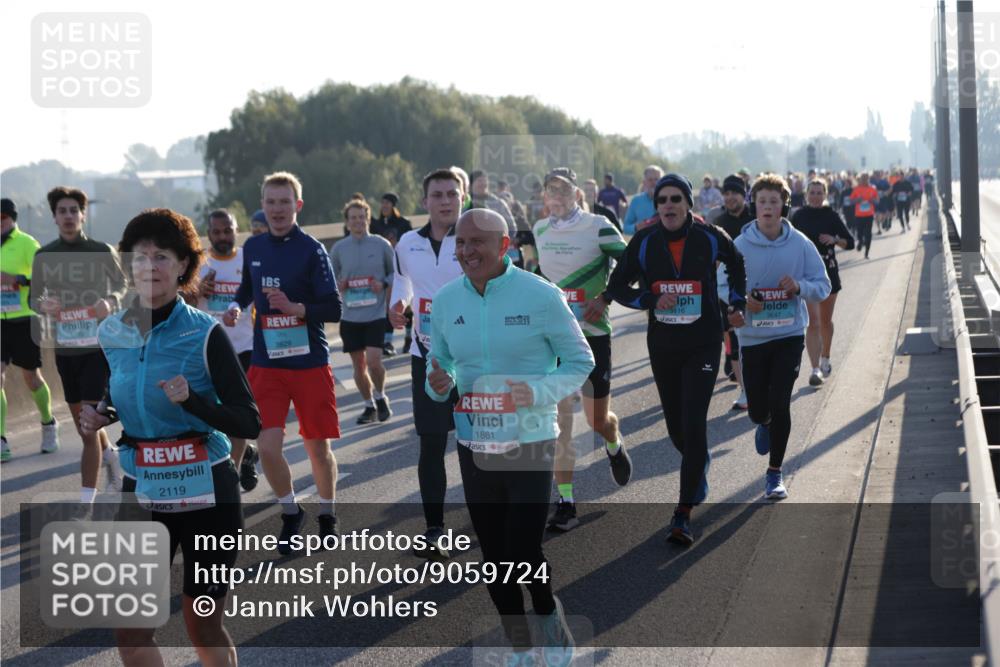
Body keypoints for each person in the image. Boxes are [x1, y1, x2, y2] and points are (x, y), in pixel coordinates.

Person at [80, 207, 261, 667]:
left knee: (201, 624)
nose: (150, 268)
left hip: (208, 492)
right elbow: (124, 384)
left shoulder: (206, 334)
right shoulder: (112, 331)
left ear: (183, 266)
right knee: (131, 626)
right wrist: (104, 414)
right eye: (140, 258)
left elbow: (248, 421)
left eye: (162, 257)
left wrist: (193, 404)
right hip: (142, 490)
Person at [427, 208, 592, 663]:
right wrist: (437, 381)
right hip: (475, 444)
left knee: (523, 547)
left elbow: (581, 361)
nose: (465, 251)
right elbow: (439, 362)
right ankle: (520, 646)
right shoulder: (445, 301)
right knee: (496, 556)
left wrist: (537, 392)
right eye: (459, 243)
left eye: (476, 242)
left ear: (504, 246)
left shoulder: (540, 295)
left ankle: (547, 619)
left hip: (531, 439)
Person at [608, 173, 747, 545]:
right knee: (677, 431)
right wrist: (651, 300)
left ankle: (682, 513)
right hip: (664, 344)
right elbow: (617, 287)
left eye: (675, 199)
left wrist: (737, 303)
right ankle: (697, 460)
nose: (668, 206)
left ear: (688, 204)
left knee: (694, 421)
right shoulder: (644, 242)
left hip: (703, 341)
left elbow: (737, 264)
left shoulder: (709, 236)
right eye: (661, 200)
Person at [223, 171, 343, 551]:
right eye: (271, 202)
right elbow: (246, 288)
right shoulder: (253, 249)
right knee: (269, 446)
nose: (277, 209)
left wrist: (297, 308)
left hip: (309, 363)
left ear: (298, 206)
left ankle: (327, 512)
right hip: (267, 364)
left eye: (284, 202)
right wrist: (234, 307)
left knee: (317, 449)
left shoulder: (311, 250)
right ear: (262, 205)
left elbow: (335, 307)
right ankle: (291, 513)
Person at [532, 167, 632, 532]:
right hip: (553, 339)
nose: (557, 197)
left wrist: (605, 296)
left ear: (576, 193)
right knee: (560, 423)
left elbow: (631, 263)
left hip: (593, 335)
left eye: (564, 191)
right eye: (551, 191)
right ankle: (567, 501)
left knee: (597, 420)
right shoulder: (540, 231)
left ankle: (613, 442)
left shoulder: (599, 226)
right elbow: (541, 279)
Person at [729, 174, 831, 500]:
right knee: (759, 409)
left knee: (781, 401)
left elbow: (823, 285)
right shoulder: (740, 247)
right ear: (754, 207)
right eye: (762, 202)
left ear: (784, 206)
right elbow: (722, 286)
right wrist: (743, 301)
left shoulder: (800, 244)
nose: (768, 208)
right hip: (753, 338)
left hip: (788, 335)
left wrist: (800, 287)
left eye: (774, 201)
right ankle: (763, 421)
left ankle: (774, 473)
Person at [30, 186, 127, 499]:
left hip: (96, 351)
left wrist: (110, 300)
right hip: (65, 350)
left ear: (83, 214)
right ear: (55, 217)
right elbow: (35, 297)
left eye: (74, 210)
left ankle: (87, 502)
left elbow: (122, 284)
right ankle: (109, 454)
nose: (69, 216)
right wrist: (44, 304)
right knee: (85, 425)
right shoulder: (44, 256)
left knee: (87, 430)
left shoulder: (101, 250)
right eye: (63, 211)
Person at [389, 168, 465, 559]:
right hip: (427, 357)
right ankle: (435, 529)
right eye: (438, 194)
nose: (446, 200)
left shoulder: (474, 237)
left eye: (453, 193)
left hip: (473, 360)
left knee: (477, 443)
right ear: (425, 201)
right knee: (432, 444)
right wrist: (397, 304)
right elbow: (403, 282)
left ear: (463, 197)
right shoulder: (406, 243)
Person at [196, 208, 260, 491]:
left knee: (238, 413)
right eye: (217, 231)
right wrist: (198, 292)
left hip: (245, 346)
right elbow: (180, 297)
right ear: (208, 233)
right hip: (210, 349)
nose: (223, 236)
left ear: (237, 229)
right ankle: (246, 454)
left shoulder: (249, 258)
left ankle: (229, 480)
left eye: (228, 230)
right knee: (216, 417)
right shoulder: (199, 262)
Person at [0, 197, 60, 461]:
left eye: (2, 218)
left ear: (12, 219)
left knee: (30, 377)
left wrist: (17, 279)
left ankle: (48, 424)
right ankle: (1, 439)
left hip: (25, 319)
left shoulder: (26, 243)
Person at [329, 198, 394, 424]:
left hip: (375, 313)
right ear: (347, 222)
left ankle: (381, 396)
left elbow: (395, 273)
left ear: (368, 218)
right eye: (353, 218)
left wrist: (383, 283)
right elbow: (330, 278)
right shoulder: (339, 249)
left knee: (374, 362)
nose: (358, 221)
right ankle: (369, 406)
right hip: (350, 316)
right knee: (359, 365)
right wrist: (340, 284)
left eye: (361, 217)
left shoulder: (381, 244)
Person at [790, 179, 854, 386]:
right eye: (812, 192)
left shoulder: (831, 216)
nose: (816, 196)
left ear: (825, 194)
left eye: (819, 192)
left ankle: (826, 355)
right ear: (806, 194)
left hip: (829, 273)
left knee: (825, 322)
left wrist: (834, 240)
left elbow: (850, 243)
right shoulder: (798, 216)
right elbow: (787, 241)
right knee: (814, 322)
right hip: (806, 274)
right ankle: (815, 368)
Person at [713, 174, 754, 410]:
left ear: (744, 194)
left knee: (756, 340)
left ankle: (761, 385)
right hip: (726, 290)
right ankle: (745, 391)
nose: (729, 198)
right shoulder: (718, 223)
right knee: (735, 339)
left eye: (734, 193)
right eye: (726, 194)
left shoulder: (754, 218)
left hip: (757, 287)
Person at [370, 192, 413, 357]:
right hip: (385, 269)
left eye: (387, 203)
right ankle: (387, 341)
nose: (384, 206)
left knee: (406, 305)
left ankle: (409, 338)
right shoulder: (376, 225)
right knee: (389, 304)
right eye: (382, 203)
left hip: (402, 267)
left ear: (393, 205)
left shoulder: (403, 224)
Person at [622, 165, 664, 234]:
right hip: (644, 243)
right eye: (650, 180)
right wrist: (636, 227)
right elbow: (625, 228)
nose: (654, 183)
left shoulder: (670, 200)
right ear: (644, 182)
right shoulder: (636, 201)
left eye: (656, 179)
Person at [850, 172, 879, 259]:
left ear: (868, 179)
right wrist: (857, 199)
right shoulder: (856, 189)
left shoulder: (872, 189)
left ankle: (866, 252)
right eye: (863, 179)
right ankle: (860, 242)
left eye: (866, 179)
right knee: (860, 233)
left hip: (869, 215)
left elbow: (877, 201)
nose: (864, 180)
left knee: (868, 234)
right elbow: (851, 201)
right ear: (860, 179)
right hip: (859, 215)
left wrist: (872, 200)